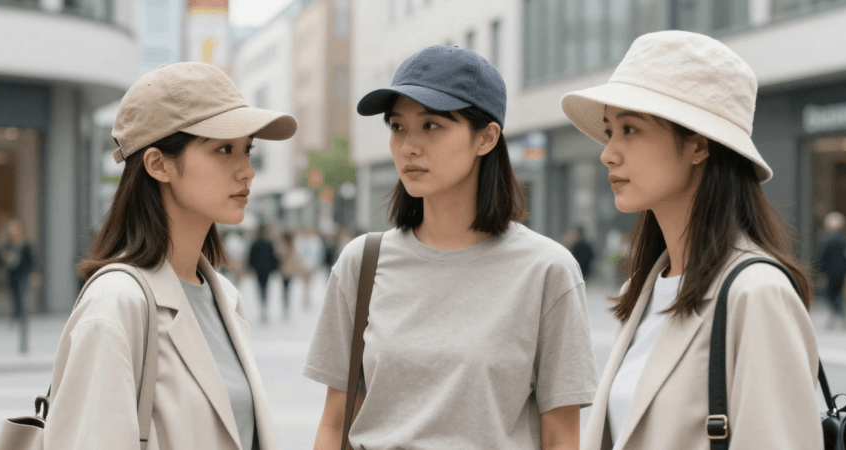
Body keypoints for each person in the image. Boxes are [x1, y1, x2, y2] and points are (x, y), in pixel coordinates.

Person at [305, 45, 597, 450]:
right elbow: (334, 424)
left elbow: (562, 437)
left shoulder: (547, 270)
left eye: (431, 126)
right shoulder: (363, 263)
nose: (408, 146)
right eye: (397, 127)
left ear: (486, 137)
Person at [561, 31, 822, 450]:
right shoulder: (642, 291)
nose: (608, 153)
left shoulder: (756, 295)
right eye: (610, 130)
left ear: (698, 146)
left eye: (630, 129)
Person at [45, 62, 296, 450]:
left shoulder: (224, 298)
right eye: (224, 149)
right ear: (158, 164)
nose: (246, 170)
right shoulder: (115, 306)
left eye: (248, 149)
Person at [815, 211, 846, 330]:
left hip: (831, 271)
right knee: (837, 294)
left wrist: (818, 268)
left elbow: (822, 256)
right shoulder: (844, 238)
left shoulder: (827, 239)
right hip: (842, 271)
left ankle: (839, 312)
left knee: (830, 294)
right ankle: (839, 314)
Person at [1, 219, 33, 321]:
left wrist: (34, 274)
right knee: (14, 294)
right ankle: (16, 314)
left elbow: (31, 260)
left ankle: (21, 315)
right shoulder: (8, 245)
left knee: (22, 294)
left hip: (23, 274)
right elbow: (2, 259)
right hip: (11, 274)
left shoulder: (25, 245)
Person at [248, 224, 280, 323]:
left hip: (258, 269)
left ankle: (262, 306)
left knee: (260, 287)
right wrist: (274, 268)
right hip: (267, 269)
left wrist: (250, 267)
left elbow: (251, 256)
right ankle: (264, 306)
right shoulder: (269, 242)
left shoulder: (255, 242)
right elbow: (273, 256)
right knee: (266, 287)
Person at [277, 230, 306, 319]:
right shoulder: (293, 246)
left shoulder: (283, 246)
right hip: (289, 270)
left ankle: (286, 306)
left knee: (285, 289)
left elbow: (279, 255)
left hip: (285, 270)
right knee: (287, 289)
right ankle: (286, 306)